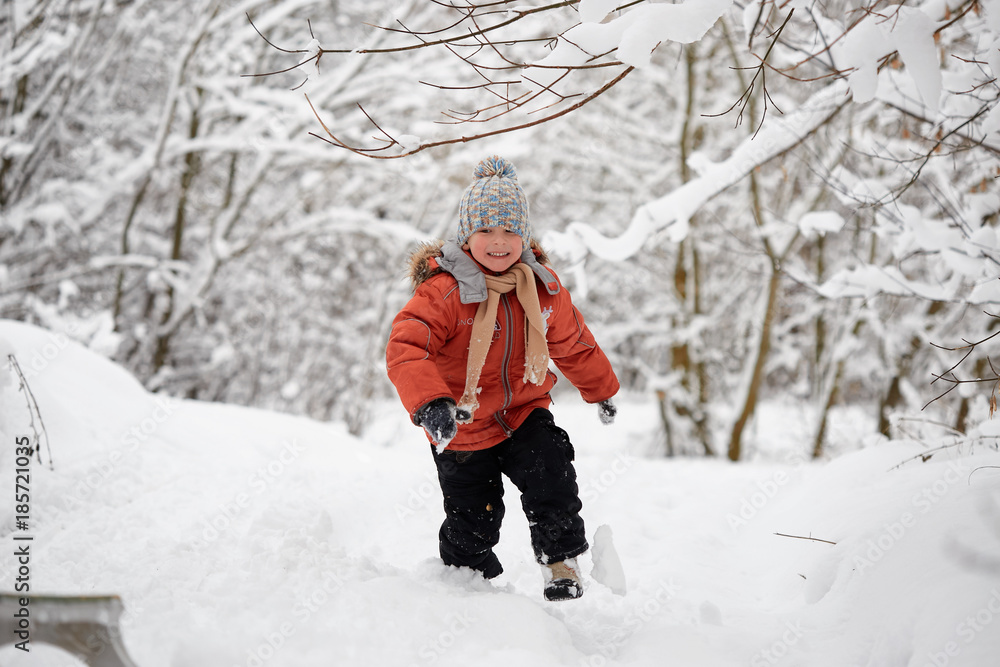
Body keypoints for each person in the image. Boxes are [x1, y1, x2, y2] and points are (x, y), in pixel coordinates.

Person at [386, 155, 619, 601]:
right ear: (467, 235)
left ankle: (561, 564)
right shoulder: (445, 292)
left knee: (552, 471)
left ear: (525, 236)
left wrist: (601, 389)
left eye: (511, 230)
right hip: (463, 426)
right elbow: (406, 348)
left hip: (524, 413)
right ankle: (463, 583)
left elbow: (573, 342)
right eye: (487, 230)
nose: (499, 241)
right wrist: (432, 403)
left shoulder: (543, 289)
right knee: (473, 519)